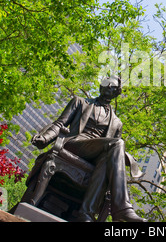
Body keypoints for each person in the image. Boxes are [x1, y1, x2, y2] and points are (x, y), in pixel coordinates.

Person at [31, 76, 146, 222]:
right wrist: (45, 138)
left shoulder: (117, 123)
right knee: (118, 144)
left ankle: (86, 214)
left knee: (106, 160)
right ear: (100, 87)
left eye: (112, 86)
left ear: (117, 92)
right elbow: (60, 123)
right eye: (106, 84)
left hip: (96, 155)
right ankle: (123, 208)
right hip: (75, 143)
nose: (108, 87)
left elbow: (113, 154)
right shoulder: (80, 102)